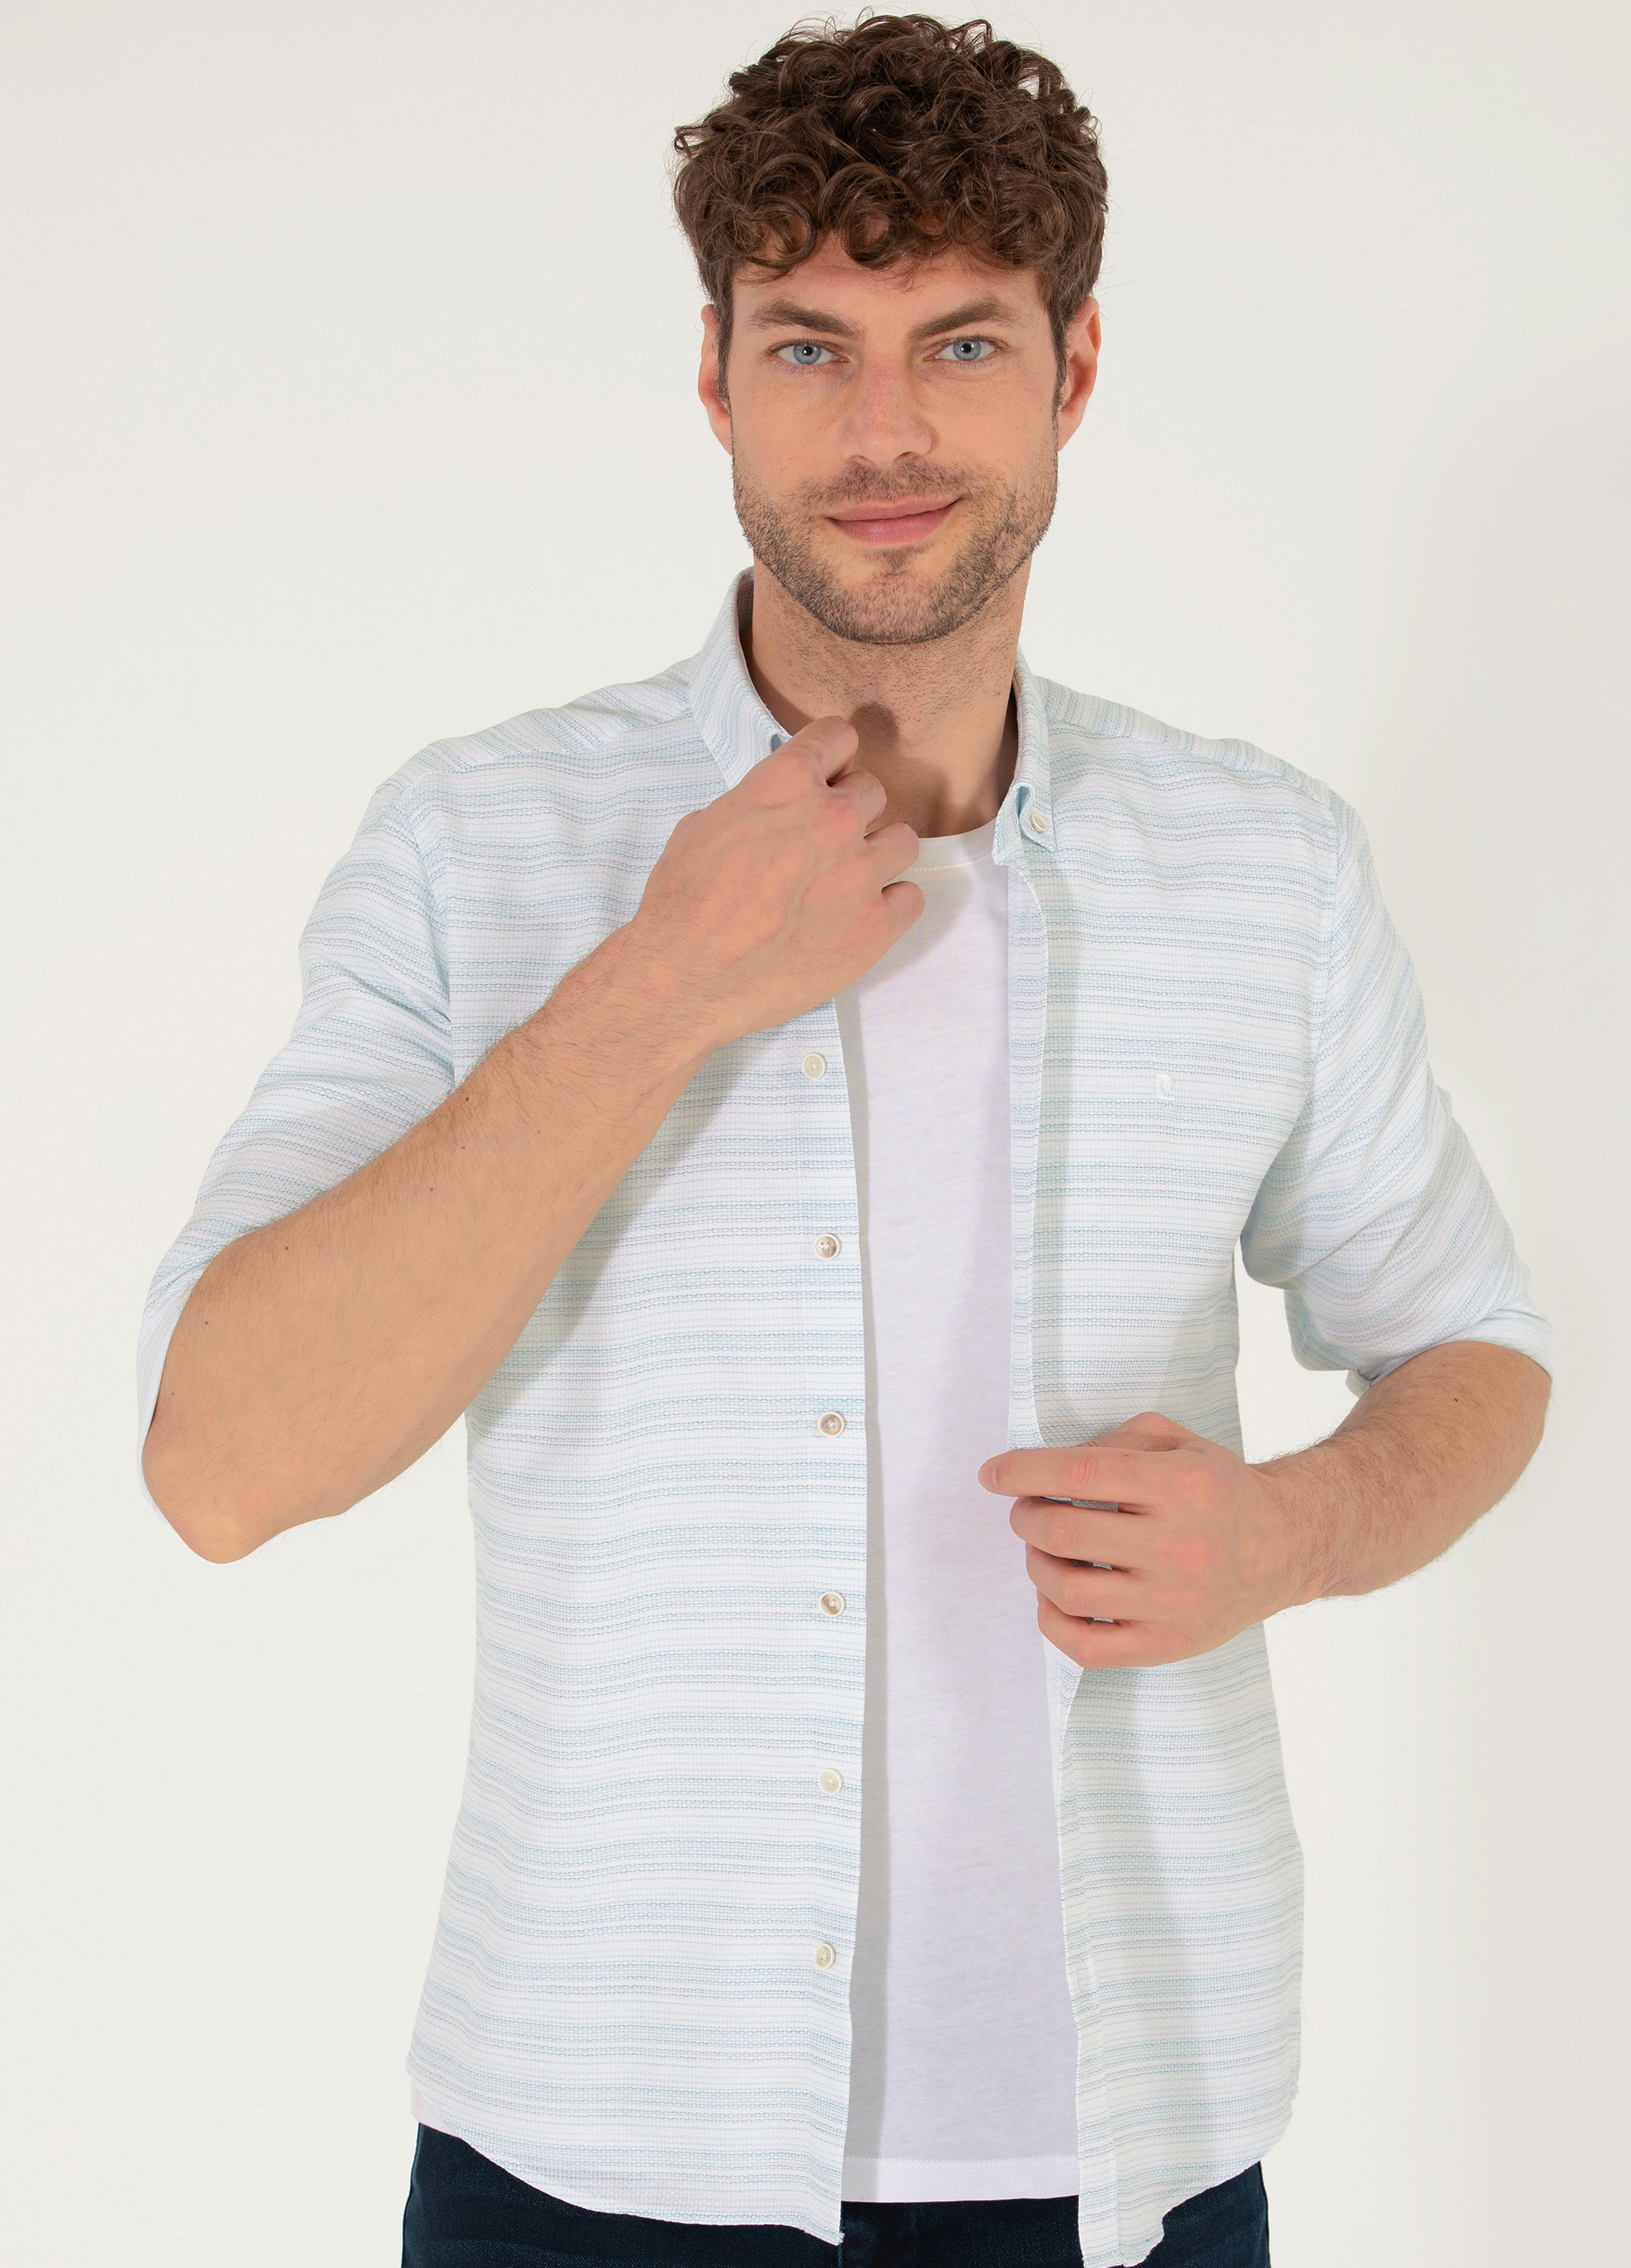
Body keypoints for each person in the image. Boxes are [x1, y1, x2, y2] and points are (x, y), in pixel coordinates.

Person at [136, 15, 1552, 2266]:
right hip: (593, 2155)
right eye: (809, 345)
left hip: (1133, 2155)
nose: (885, 431)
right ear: (713, 378)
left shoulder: (1262, 868)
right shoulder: (477, 844)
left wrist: (1290, 1531)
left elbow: (1473, 1347)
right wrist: (656, 985)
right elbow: (221, 1461)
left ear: (1077, 369)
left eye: (960, 342)